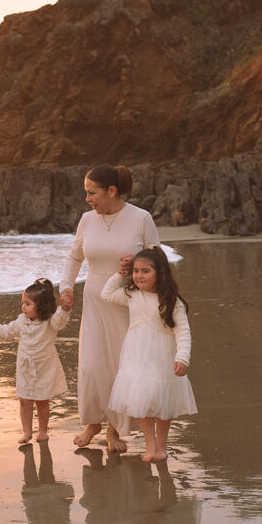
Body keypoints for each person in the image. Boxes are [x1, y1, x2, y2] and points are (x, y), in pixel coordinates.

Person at [60, 164, 160, 452]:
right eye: (86, 193)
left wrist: (137, 265)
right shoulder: (87, 220)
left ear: (112, 191)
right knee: (92, 365)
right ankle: (93, 422)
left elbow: (157, 256)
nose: (88, 199)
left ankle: (114, 429)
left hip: (127, 301)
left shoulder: (141, 218)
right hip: (94, 299)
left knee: (120, 366)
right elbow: (74, 256)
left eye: (92, 193)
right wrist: (66, 286)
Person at [103, 247, 196, 462]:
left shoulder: (172, 301)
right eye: (136, 271)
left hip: (163, 358)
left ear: (160, 273)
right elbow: (106, 294)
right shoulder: (132, 295)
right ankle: (150, 445)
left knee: (163, 403)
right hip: (137, 358)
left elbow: (183, 332)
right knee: (144, 400)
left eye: (145, 271)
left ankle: (161, 446)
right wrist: (121, 272)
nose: (139, 275)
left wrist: (182, 357)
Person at [0, 278, 73, 443]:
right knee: (25, 400)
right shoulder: (21, 321)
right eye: (23, 303)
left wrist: (65, 309)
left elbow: (61, 319)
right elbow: (7, 331)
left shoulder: (49, 322)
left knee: (42, 401)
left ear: (41, 306)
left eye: (28, 303)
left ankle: (43, 431)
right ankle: (27, 432)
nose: (23, 307)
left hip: (44, 367)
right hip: (25, 368)